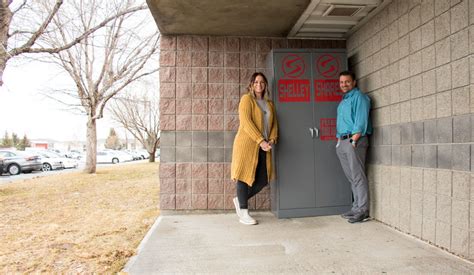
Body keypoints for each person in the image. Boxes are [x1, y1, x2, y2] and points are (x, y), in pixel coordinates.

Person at [231, 72, 278, 225]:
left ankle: (240, 199)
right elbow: (246, 122)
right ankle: (244, 212)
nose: (259, 85)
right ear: (251, 84)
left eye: (262, 82)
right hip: (246, 144)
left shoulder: (269, 104)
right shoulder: (247, 100)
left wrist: (271, 138)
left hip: (264, 145)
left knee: (263, 179)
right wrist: (260, 140)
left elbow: (274, 124)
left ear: (265, 85)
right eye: (256, 82)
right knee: (244, 176)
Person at [336, 70, 372, 223]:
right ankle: (356, 207)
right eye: (342, 82)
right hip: (343, 141)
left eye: (347, 82)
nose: (344, 84)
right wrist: (339, 141)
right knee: (351, 177)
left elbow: (361, 119)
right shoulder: (344, 101)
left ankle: (363, 210)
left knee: (358, 176)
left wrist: (355, 138)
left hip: (354, 140)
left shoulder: (360, 97)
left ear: (354, 82)